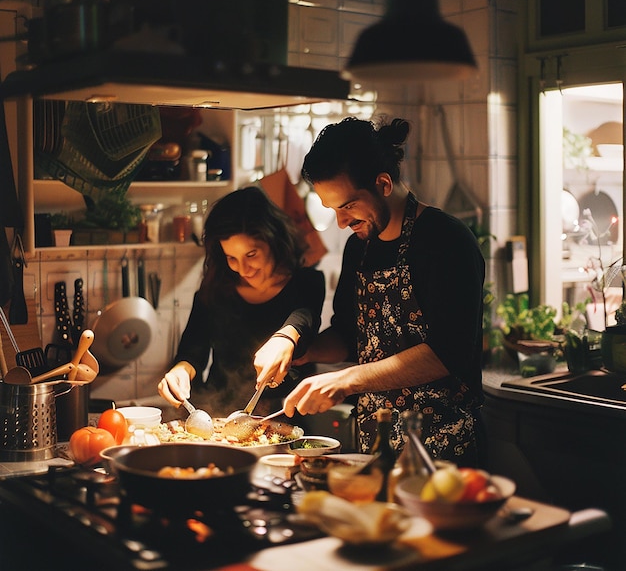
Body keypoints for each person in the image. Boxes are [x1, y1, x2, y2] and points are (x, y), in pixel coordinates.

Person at [270, 117, 486, 466]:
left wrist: (346, 380)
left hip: (442, 448)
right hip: (376, 444)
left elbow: (448, 353)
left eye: (348, 206)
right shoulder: (360, 246)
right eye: (333, 210)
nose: (342, 222)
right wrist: (297, 349)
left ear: (383, 184)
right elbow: (349, 335)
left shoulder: (446, 241)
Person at [158, 185, 325, 418]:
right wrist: (180, 371)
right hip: (216, 413)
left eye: (251, 255)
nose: (243, 269)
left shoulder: (307, 282)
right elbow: (192, 350)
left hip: (282, 417)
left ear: (273, 240)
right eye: (231, 258)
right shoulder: (216, 287)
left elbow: (304, 319)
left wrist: (286, 336)